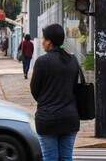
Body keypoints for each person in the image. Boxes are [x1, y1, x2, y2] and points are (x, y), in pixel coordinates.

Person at [30, 24, 80, 161]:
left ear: (49, 42)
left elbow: (35, 90)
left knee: (50, 158)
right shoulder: (73, 60)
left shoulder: (42, 62)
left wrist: (46, 101)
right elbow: (75, 87)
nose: (42, 42)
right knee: (66, 158)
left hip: (48, 119)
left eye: (44, 39)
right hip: (70, 118)